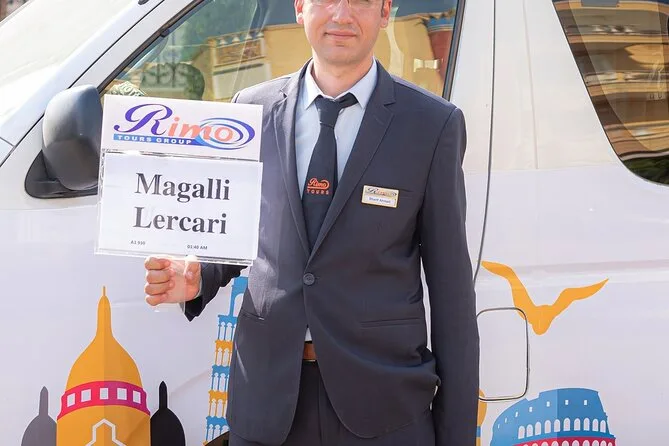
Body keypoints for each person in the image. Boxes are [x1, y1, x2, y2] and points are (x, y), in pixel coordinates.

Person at [143, 0, 480, 445]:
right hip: (267, 404)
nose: (341, 15)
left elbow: (453, 295)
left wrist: (456, 436)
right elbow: (241, 230)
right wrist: (199, 274)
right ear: (300, 7)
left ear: (385, 12)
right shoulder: (250, 112)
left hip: (384, 407)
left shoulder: (432, 125)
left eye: (360, 1)